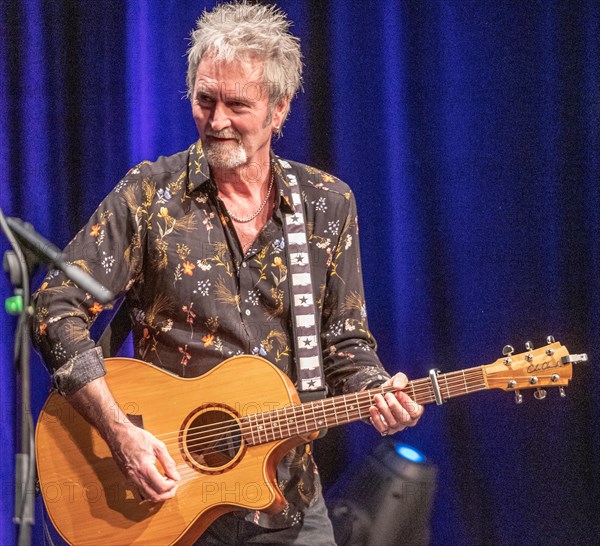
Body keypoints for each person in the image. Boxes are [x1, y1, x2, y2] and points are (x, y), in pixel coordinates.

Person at [33, 3, 423, 544]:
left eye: (237, 104)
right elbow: (55, 305)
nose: (216, 121)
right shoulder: (150, 195)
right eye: (204, 99)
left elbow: (345, 342)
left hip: (287, 502)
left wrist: (378, 391)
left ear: (279, 109)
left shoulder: (325, 204)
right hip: (164, 502)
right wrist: (120, 433)